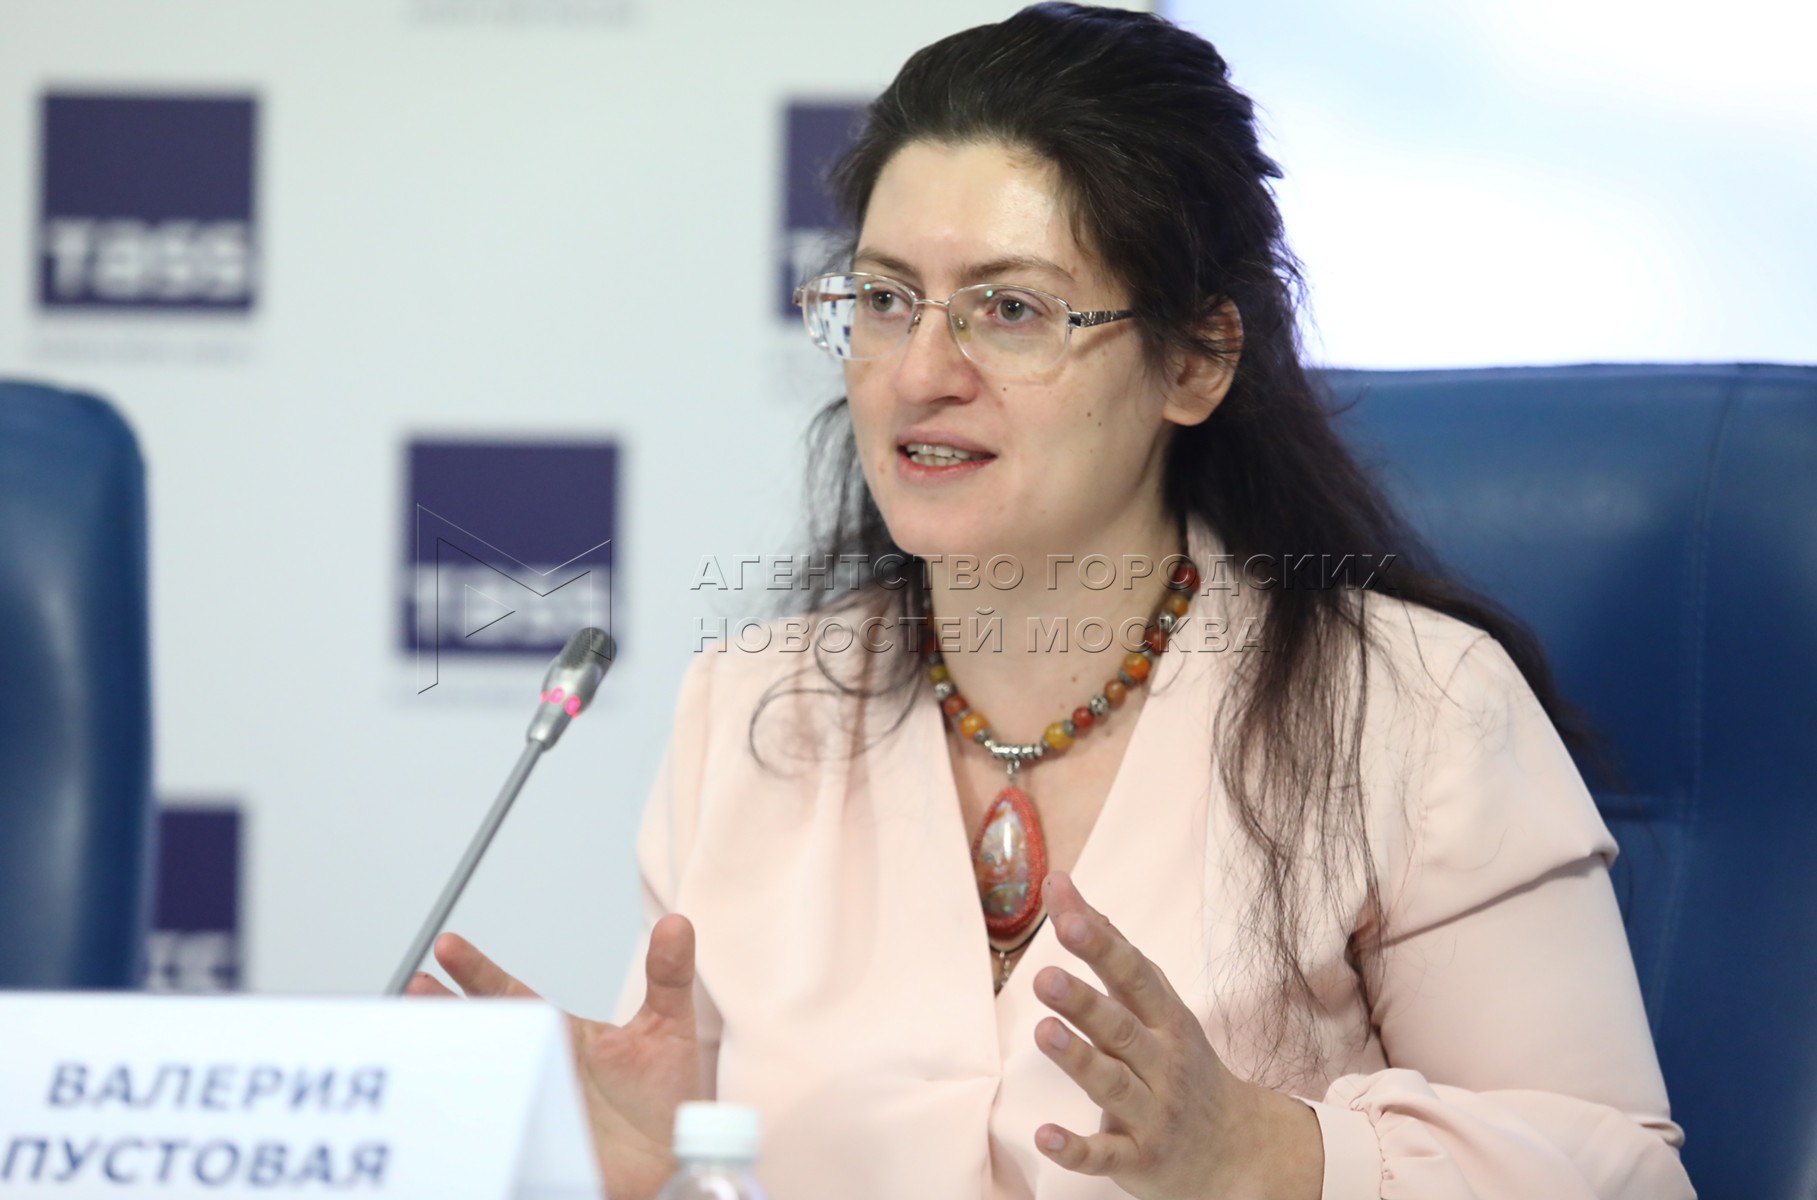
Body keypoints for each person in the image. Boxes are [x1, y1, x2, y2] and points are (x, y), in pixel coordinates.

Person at [408, 5, 1696, 1198]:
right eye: (885, 300)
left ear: (1196, 359)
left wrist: (1273, 1156)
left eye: (1010, 310)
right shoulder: (753, 708)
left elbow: (1628, 1177)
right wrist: (636, 1173)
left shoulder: (1414, 709)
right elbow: (711, 1160)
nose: (920, 371)